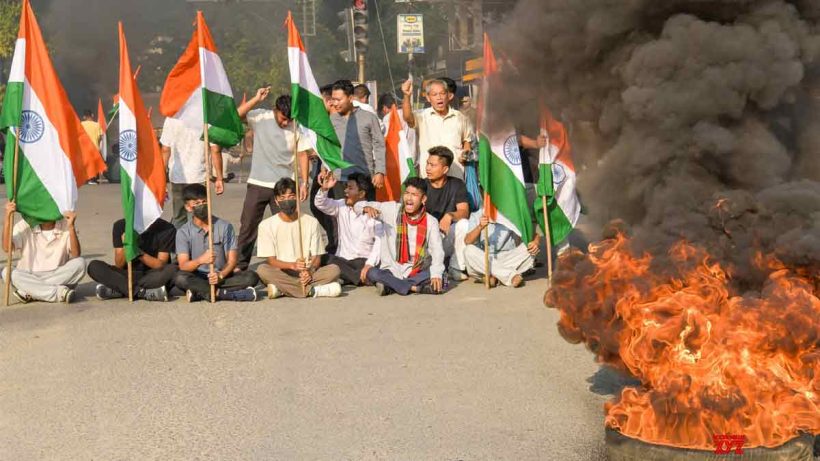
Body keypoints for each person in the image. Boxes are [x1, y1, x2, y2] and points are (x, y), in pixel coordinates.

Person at [235, 89, 311, 270]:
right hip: (259, 182)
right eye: (283, 118)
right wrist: (256, 98)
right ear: (275, 110)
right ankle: (240, 264)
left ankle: (289, 265)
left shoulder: (298, 126)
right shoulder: (261, 117)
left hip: (285, 186)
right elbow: (236, 115)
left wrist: (304, 182)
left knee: (288, 226)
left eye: (289, 119)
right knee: (248, 225)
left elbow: (302, 154)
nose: (286, 123)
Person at [354, 177, 445, 296]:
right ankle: (414, 288)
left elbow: (437, 250)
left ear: (423, 199)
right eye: (406, 193)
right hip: (392, 269)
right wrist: (366, 208)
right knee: (371, 272)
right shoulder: (391, 209)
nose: (409, 198)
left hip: (417, 269)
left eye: (414, 195)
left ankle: (390, 286)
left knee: (442, 276)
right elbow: (358, 205)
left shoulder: (431, 221)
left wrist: (436, 274)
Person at [255, 178, 342, 299]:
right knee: (262, 270)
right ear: (276, 200)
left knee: (334, 269)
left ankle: (283, 290)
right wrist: (292, 266)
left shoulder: (311, 222)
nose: (287, 200)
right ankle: (313, 291)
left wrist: (309, 271)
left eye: (291, 196)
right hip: (283, 271)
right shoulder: (266, 225)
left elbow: (317, 257)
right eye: (282, 197)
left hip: (308, 272)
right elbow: (271, 261)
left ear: (297, 197)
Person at [174, 184, 259, 302]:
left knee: (251, 277)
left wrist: (220, 276)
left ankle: (200, 292)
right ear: (188, 207)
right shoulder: (183, 232)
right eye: (197, 204)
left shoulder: (224, 226)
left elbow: (232, 260)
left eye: (204, 202)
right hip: (198, 276)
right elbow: (183, 265)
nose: (202, 206)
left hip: (221, 275)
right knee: (180, 278)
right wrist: (201, 260)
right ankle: (224, 294)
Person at [2, 203, 85, 304]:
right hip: (29, 274)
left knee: (80, 263)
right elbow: (7, 248)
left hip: (58, 274)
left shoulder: (65, 223)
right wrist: (7, 218)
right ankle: (57, 293)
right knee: (7, 272)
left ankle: (31, 291)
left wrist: (71, 227)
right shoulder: (24, 225)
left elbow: (76, 254)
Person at [314, 171, 381, 286]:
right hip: (342, 259)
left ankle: (348, 277)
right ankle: (360, 278)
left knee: (338, 268)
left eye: (350, 188)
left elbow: (379, 243)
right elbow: (320, 204)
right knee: (325, 258)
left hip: (362, 260)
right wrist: (325, 189)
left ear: (361, 194)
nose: (345, 191)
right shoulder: (341, 206)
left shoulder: (373, 211)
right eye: (346, 187)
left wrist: (369, 264)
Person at [87, 218, 177, 301]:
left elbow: (160, 265)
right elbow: (119, 264)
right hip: (126, 275)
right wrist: (126, 245)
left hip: (151, 276)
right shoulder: (121, 226)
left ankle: (120, 290)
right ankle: (142, 293)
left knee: (173, 269)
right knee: (94, 266)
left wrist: (136, 251)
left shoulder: (167, 228)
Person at [401, 78, 473, 179]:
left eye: (442, 93)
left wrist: (465, 153)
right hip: (429, 177)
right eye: (434, 94)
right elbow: (408, 117)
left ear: (448, 96)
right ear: (428, 98)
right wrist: (406, 96)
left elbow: (467, 140)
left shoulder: (460, 118)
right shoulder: (422, 116)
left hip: (455, 175)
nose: (439, 97)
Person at [160, 117, 224, 228]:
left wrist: (161, 179)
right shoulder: (207, 117)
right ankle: (197, 242)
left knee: (179, 216)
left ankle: (179, 242)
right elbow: (215, 150)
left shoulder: (171, 119)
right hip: (198, 176)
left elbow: (165, 150)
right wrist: (219, 177)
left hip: (177, 177)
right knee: (199, 215)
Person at [330, 79, 386, 198]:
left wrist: (380, 171)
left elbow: (379, 145)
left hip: (364, 178)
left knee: (367, 214)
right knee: (342, 215)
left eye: (338, 100)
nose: (335, 103)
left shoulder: (369, 118)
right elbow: (328, 146)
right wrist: (324, 168)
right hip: (340, 178)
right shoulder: (332, 120)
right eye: (333, 99)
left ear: (350, 98)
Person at [423, 146, 471, 280]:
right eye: (427, 163)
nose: (427, 168)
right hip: (426, 242)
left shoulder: (457, 184)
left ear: (445, 169)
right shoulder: (421, 185)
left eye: (432, 165)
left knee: (464, 224)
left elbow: (464, 211)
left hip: (445, 238)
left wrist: (450, 215)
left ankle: (455, 267)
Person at [463, 208, 540, 287]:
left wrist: (536, 242)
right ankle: (510, 276)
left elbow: (534, 235)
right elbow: (467, 241)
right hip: (484, 259)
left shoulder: (512, 213)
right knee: (468, 250)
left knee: (530, 249)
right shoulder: (476, 215)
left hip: (507, 258)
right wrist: (480, 226)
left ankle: (493, 277)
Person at [81, 110, 104, 185]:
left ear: (84, 117)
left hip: (84, 147)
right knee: (93, 164)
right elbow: (101, 137)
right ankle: (92, 179)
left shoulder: (81, 124)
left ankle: (88, 179)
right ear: (92, 115)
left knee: (86, 163)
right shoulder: (97, 125)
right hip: (94, 146)